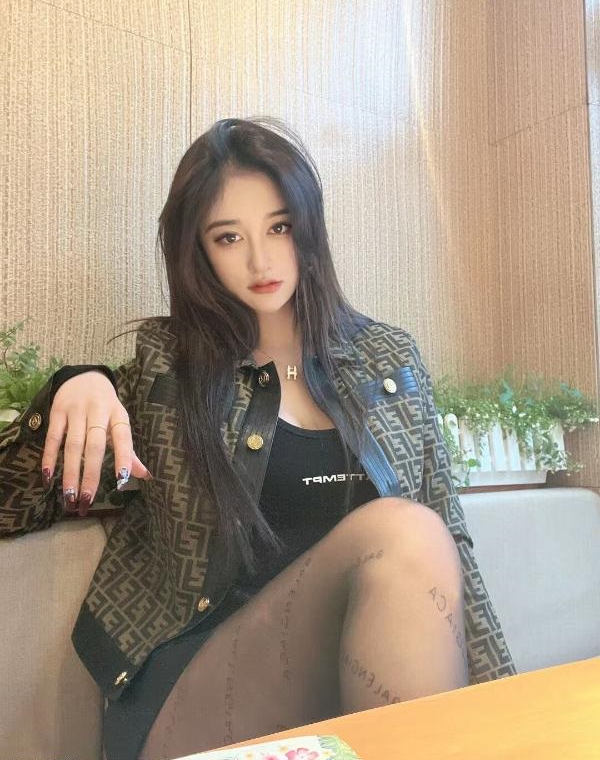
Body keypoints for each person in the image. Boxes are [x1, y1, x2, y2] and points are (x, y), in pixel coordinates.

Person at [0, 117, 517, 760]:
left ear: (309, 228)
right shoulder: (167, 371)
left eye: (279, 227)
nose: (260, 261)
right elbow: (10, 502)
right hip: (194, 697)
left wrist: (509, 714)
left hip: (353, 691)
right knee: (401, 529)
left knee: (418, 533)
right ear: (199, 252)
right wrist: (75, 385)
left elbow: (452, 544)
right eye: (228, 237)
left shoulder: (388, 360)